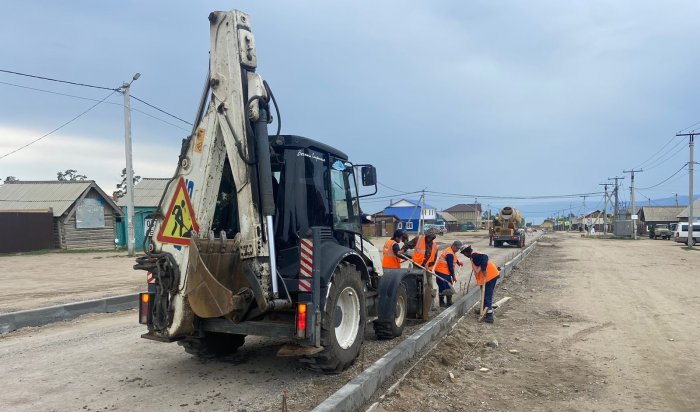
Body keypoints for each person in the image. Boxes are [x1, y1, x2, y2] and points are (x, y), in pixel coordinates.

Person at [460, 244, 500, 323]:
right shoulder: (473, 256)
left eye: (463, 253)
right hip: (488, 276)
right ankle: (484, 308)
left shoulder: (474, 255)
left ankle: (489, 316)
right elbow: (478, 266)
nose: (464, 255)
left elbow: (484, 257)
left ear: (466, 252)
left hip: (489, 276)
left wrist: (484, 270)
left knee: (487, 295)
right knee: (485, 294)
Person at [434, 240, 464, 307]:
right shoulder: (449, 253)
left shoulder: (451, 251)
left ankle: (449, 302)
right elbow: (450, 266)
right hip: (441, 271)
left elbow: (454, 258)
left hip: (444, 271)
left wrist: (458, 263)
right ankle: (442, 303)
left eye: (458, 249)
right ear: (453, 246)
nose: (457, 250)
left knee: (448, 286)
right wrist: (453, 276)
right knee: (443, 287)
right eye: (457, 248)